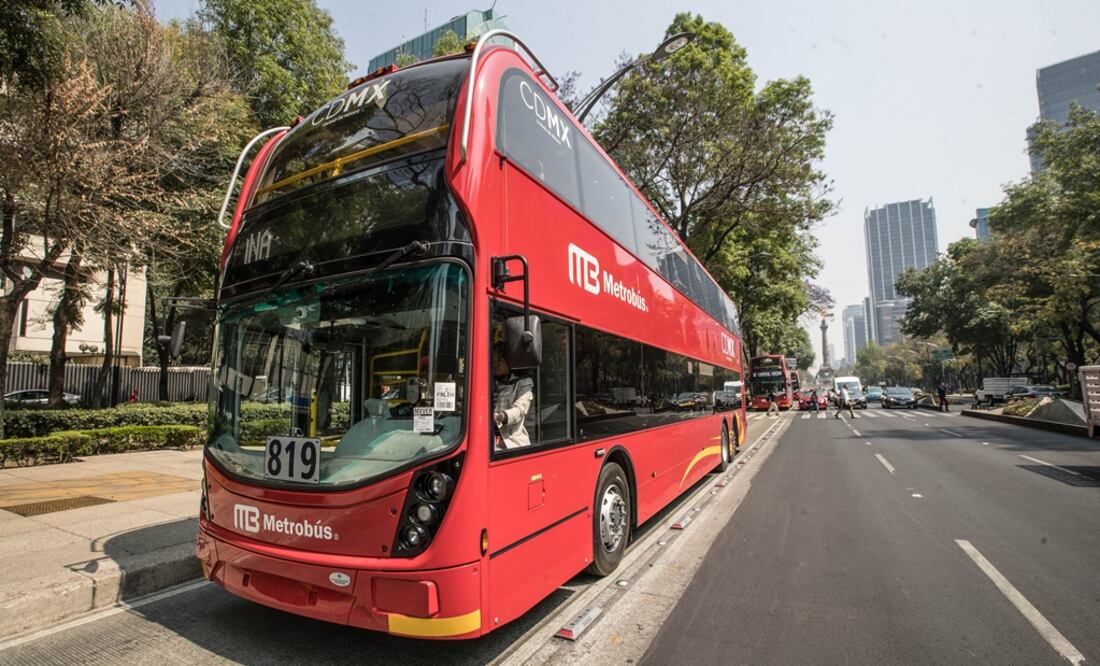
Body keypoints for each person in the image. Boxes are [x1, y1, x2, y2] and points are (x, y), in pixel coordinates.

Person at [492, 345, 534, 449]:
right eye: (493, 360)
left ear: (510, 362)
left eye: (499, 361)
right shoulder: (488, 380)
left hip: (510, 441)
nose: (495, 364)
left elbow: (519, 410)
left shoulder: (524, 382)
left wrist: (499, 417)